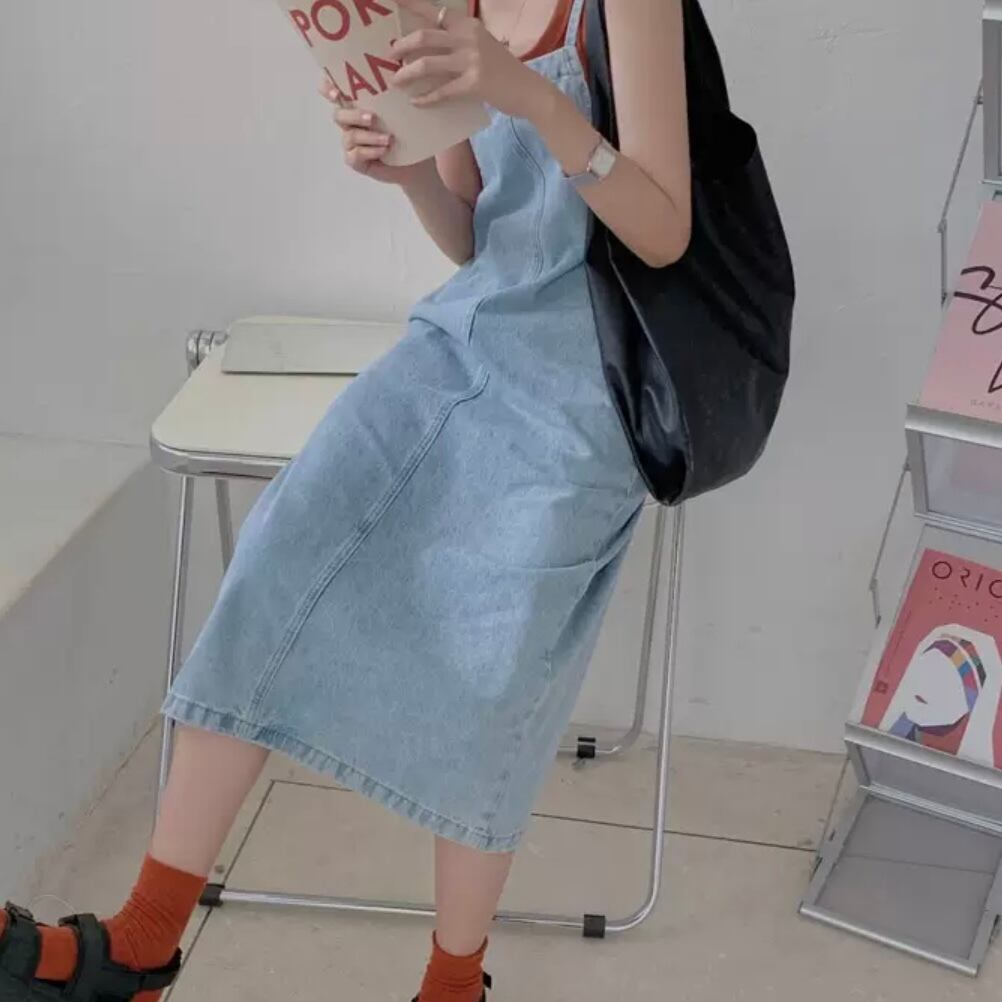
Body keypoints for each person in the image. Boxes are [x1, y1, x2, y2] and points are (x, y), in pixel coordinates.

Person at [0, 0, 690, 998]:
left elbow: (665, 234)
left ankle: (453, 983)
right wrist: (409, 175)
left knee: (495, 661)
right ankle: (141, 943)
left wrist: (534, 99)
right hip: (461, 344)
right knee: (282, 550)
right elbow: (479, 242)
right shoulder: (450, 7)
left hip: (592, 378)